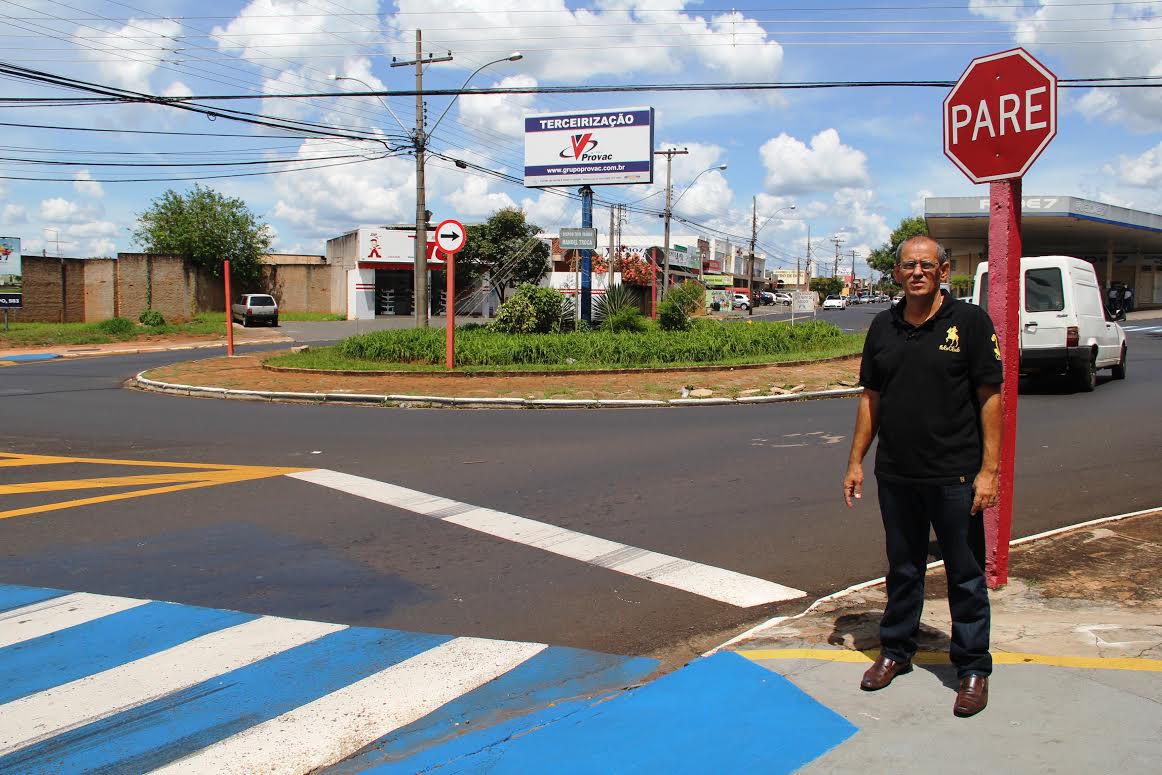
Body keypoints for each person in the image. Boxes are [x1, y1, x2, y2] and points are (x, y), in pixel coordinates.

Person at [843, 235, 1003, 718]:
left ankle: (973, 667)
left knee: (966, 575)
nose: (917, 272)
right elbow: (871, 398)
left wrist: (989, 471)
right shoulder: (883, 326)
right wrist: (855, 461)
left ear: (943, 271)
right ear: (897, 274)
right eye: (909, 265)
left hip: (955, 475)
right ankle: (895, 651)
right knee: (904, 570)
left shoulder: (970, 323)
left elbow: (990, 398)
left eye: (927, 265)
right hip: (897, 475)